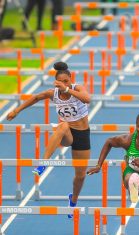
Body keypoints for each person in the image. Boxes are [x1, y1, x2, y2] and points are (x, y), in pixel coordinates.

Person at [6, 61, 91, 219]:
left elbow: (87, 99)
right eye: (61, 82)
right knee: (63, 125)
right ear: (56, 82)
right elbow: (36, 97)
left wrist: (68, 89)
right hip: (66, 134)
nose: (64, 84)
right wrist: (16, 110)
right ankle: (43, 163)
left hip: (82, 134)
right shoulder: (54, 93)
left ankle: (73, 201)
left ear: (71, 79)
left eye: (67, 81)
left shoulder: (77, 88)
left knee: (80, 175)